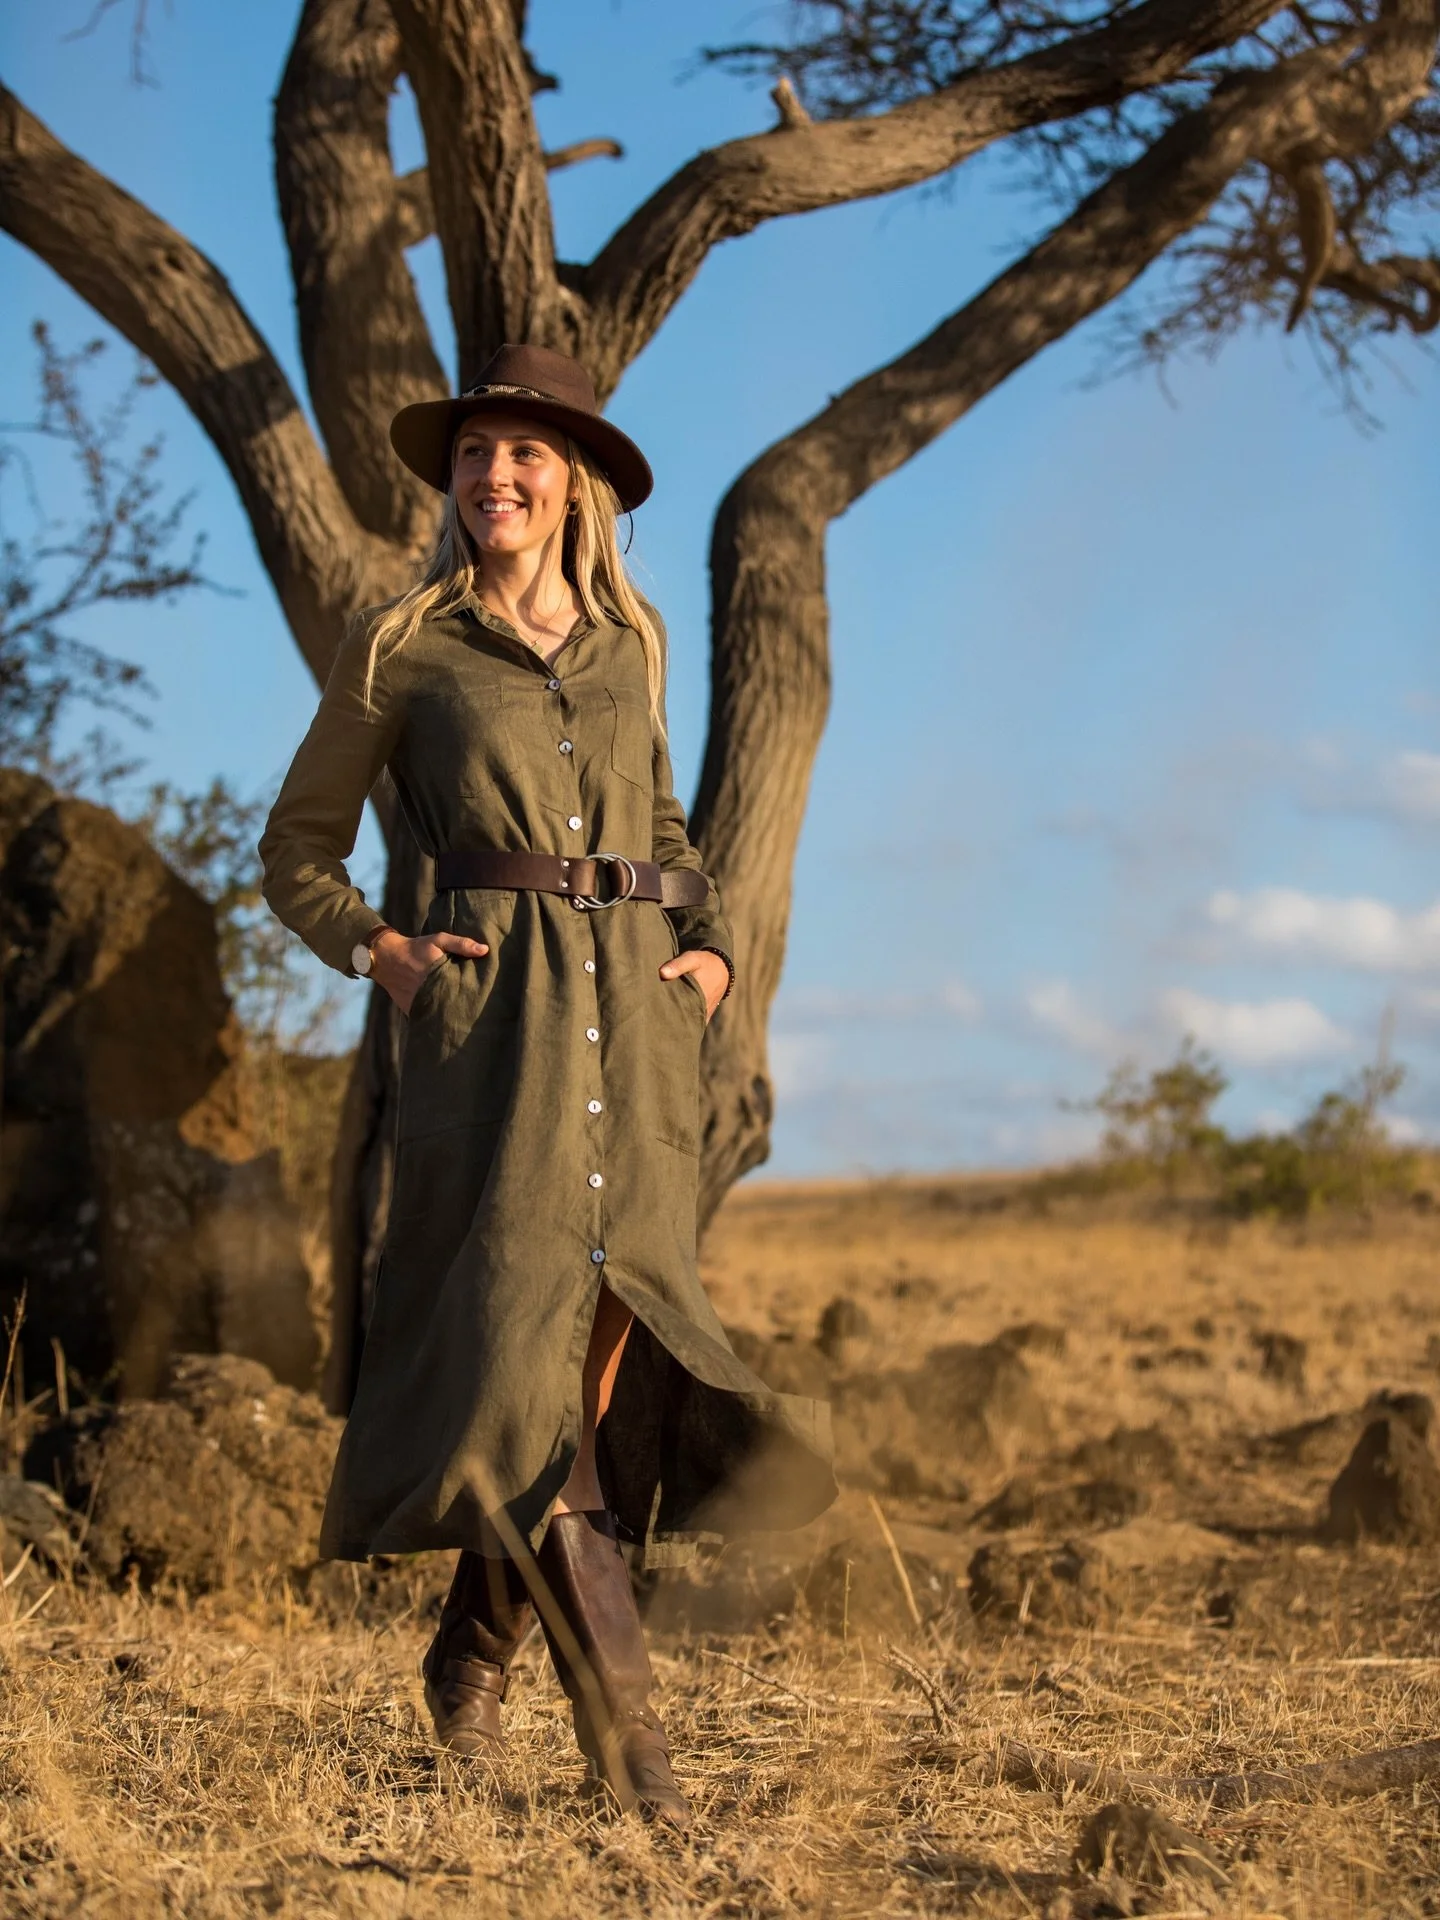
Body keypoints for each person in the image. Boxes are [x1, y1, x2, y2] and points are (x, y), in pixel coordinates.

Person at [259, 344, 835, 1828]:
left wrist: (704, 963)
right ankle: (638, 1766)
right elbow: (295, 852)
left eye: (523, 453)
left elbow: (670, 833)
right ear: (452, 483)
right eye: (472, 455)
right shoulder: (406, 649)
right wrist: (388, 955)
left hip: (635, 1054)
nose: (494, 476)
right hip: (495, 1046)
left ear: (573, 480)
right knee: (536, 1403)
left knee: (574, 1402)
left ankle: (467, 1654)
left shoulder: (629, 650)